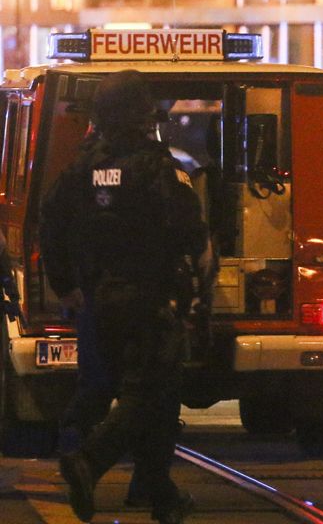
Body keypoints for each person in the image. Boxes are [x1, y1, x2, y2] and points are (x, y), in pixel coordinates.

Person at [42, 70, 212, 524]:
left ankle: (159, 495)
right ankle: (90, 462)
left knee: (114, 390)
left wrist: (65, 286)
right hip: (148, 302)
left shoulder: (81, 169)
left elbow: (50, 224)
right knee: (151, 394)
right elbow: (194, 238)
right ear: (144, 118)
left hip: (98, 304)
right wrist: (199, 301)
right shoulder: (160, 169)